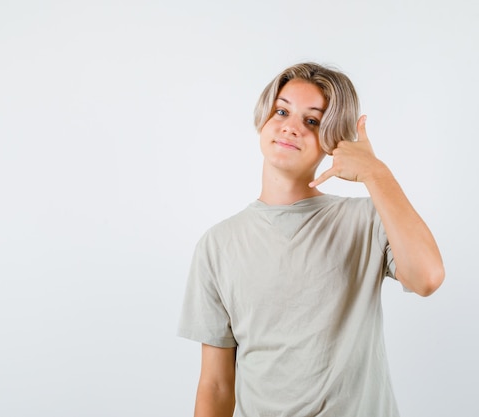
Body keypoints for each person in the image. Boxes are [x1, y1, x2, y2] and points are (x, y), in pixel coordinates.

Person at [177, 62, 445, 417]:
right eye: (282, 111)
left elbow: (427, 278)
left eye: (312, 121)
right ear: (263, 119)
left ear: (334, 140)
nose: (291, 127)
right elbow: (216, 385)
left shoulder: (366, 219)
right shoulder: (217, 245)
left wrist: (375, 172)